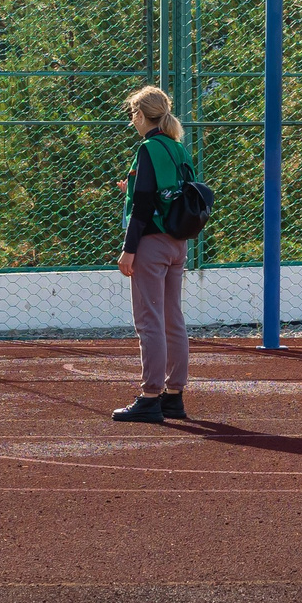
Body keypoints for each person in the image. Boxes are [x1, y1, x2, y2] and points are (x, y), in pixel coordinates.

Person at [111, 85, 199, 425]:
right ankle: (173, 396)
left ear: (140, 115)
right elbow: (170, 193)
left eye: (132, 113)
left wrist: (128, 250)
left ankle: (150, 396)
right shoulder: (177, 147)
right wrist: (130, 188)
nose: (132, 120)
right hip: (178, 241)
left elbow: (145, 205)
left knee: (149, 320)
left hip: (152, 243)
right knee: (172, 318)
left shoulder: (147, 148)